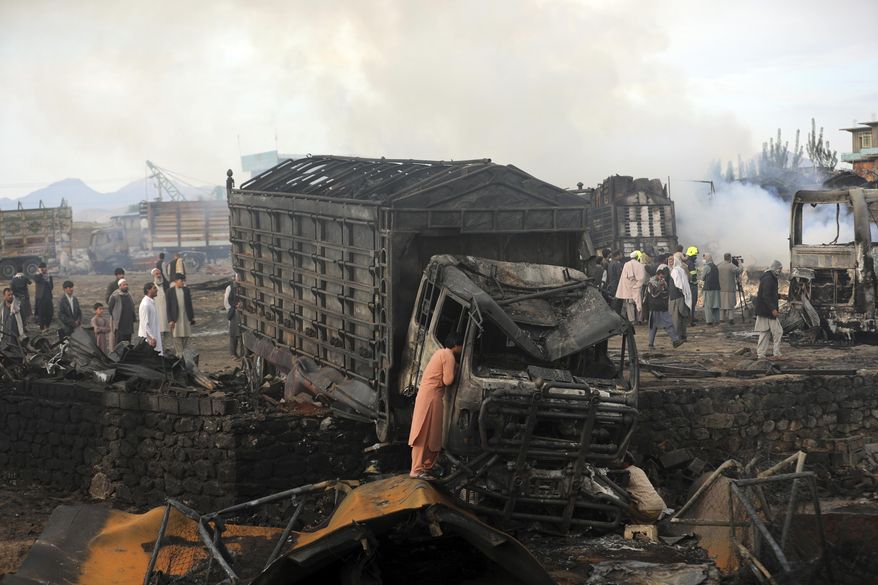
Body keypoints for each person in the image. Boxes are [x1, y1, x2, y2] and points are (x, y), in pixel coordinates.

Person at [409, 332, 463, 480]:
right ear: (457, 345)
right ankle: (417, 469)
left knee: (430, 433)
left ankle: (423, 468)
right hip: (432, 397)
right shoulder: (449, 356)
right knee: (424, 433)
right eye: (461, 345)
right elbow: (448, 380)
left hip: (428, 395)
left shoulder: (440, 352)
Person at [645, 267, 684, 349]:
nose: (662, 278)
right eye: (660, 277)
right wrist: (659, 286)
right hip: (654, 308)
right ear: (657, 275)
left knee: (668, 324)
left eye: (663, 277)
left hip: (662, 307)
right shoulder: (651, 283)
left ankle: (675, 341)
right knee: (654, 327)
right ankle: (650, 344)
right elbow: (653, 294)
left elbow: (666, 294)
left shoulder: (664, 283)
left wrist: (663, 286)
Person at [623, 454, 668, 523]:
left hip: (648, 510)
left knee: (623, 503)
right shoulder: (638, 469)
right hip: (660, 506)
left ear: (626, 463)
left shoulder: (626, 472)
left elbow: (606, 473)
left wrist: (601, 470)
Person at [754, 260, 784, 360]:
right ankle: (776, 353)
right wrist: (773, 309)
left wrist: (779, 296)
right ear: (776, 268)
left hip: (764, 310)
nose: (780, 271)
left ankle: (761, 355)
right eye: (780, 269)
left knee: (764, 332)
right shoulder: (769, 279)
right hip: (767, 311)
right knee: (778, 331)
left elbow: (769, 294)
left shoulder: (769, 277)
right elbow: (766, 296)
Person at [167, 273, 195, 356]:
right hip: (176, 319)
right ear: (176, 281)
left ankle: (185, 356)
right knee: (176, 337)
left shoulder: (186, 290)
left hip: (185, 318)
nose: (183, 283)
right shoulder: (170, 291)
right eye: (181, 281)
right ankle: (179, 356)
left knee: (186, 336)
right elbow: (168, 307)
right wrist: (170, 320)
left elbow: (189, 304)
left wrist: (192, 317)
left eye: (184, 281)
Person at [615, 251, 647, 323]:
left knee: (629, 305)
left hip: (628, 288)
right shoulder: (640, 265)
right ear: (637, 258)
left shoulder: (626, 264)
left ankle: (632, 320)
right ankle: (640, 319)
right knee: (638, 303)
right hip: (638, 287)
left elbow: (624, 278)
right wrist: (637, 285)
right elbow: (642, 278)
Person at [669, 255, 692, 341]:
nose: (670, 262)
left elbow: (678, 284)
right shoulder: (681, 270)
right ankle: (683, 335)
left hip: (676, 298)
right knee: (682, 317)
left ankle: (677, 337)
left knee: (676, 318)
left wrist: (679, 291)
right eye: (669, 261)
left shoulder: (675, 271)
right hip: (682, 296)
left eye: (672, 261)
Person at [107, 279, 136, 345]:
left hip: (129, 324)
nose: (126, 286)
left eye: (126, 284)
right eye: (124, 285)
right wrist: (116, 317)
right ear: (119, 286)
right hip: (120, 325)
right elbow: (110, 309)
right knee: (120, 344)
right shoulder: (115, 296)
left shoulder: (129, 295)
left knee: (128, 343)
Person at [138, 282, 163, 355]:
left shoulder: (151, 302)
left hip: (154, 336)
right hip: (149, 340)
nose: (157, 290)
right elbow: (144, 324)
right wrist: (151, 338)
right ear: (148, 290)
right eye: (154, 288)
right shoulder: (146, 304)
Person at [717, 253, 741, 324]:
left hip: (720, 288)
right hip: (730, 288)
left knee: (722, 305)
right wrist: (739, 263)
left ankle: (721, 319)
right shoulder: (731, 266)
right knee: (730, 305)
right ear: (730, 258)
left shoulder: (719, 265)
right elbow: (739, 270)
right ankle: (731, 319)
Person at [33, 263, 54, 331]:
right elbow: (37, 280)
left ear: (46, 268)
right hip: (40, 298)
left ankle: (47, 326)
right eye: (41, 268)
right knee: (41, 313)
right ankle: (42, 328)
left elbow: (51, 287)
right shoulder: (37, 275)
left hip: (48, 297)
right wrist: (41, 273)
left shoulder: (49, 276)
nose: (43, 269)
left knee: (50, 313)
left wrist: (48, 282)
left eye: (44, 267)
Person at [151, 268, 170, 345]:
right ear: (153, 276)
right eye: (156, 274)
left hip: (166, 312)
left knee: (167, 331)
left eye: (159, 274)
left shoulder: (166, 285)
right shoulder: (152, 287)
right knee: (158, 332)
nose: (159, 275)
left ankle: (166, 348)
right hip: (157, 313)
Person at [701, 253, 721, 325]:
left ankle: (709, 321)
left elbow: (702, 278)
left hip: (708, 289)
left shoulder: (706, 267)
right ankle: (717, 320)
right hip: (717, 288)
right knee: (716, 305)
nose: (703, 260)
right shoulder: (715, 266)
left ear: (707, 258)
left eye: (704, 258)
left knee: (708, 306)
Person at [224, 274, 241, 357]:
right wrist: (233, 307)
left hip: (240, 312)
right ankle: (233, 353)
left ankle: (240, 353)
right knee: (233, 334)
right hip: (233, 312)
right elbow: (227, 301)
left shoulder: (242, 287)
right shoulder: (230, 287)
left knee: (239, 334)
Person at [685, 246, 699, 325]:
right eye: (695, 255)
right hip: (692, 285)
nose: (696, 257)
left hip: (690, 285)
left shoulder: (688, 262)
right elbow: (693, 275)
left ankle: (692, 317)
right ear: (691, 255)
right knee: (692, 302)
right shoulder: (690, 263)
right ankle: (691, 319)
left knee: (691, 302)